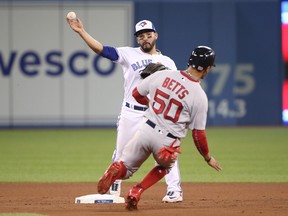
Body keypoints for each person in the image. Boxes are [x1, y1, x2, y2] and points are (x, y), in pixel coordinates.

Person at [66, 18, 183, 202]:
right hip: (132, 112)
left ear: (155, 35)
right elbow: (101, 50)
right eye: (141, 36)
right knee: (122, 153)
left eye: (148, 35)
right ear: (137, 39)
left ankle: (174, 190)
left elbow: (175, 87)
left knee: (165, 152)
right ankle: (115, 183)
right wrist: (82, 32)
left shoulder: (168, 62)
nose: (145, 39)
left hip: (157, 115)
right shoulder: (129, 54)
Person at [97, 46, 223, 211]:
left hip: (145, 130)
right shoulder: (199, 96)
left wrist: (150, 105)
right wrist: (207, 157)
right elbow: (198, 135)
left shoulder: (162, 74)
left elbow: (136, 94)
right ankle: (137, 190)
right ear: (207, 69)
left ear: (190, 61)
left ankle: (116, 170)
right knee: (165, 167)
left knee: (126, 168)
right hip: (167, 142)